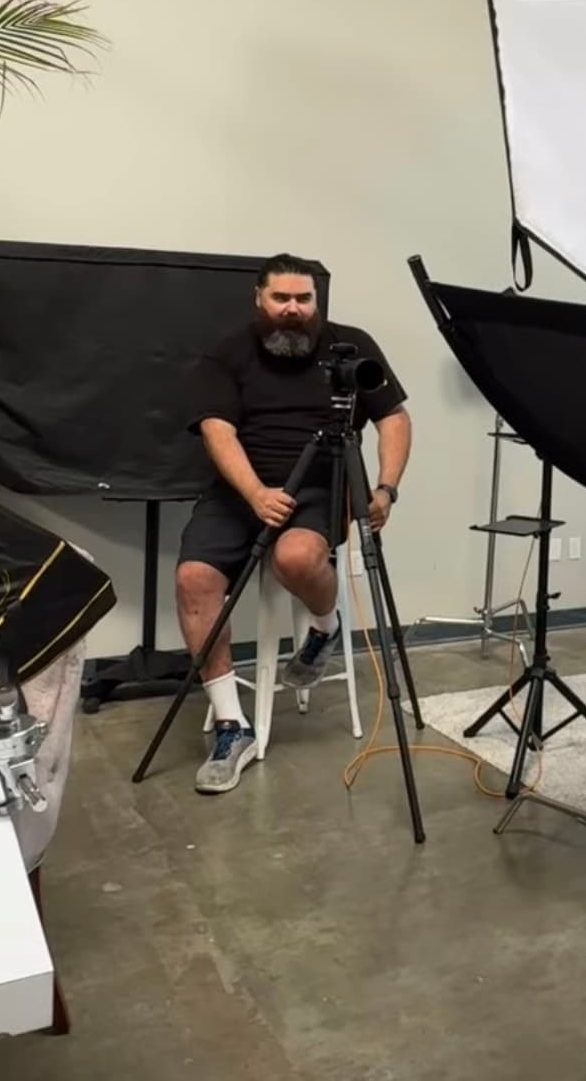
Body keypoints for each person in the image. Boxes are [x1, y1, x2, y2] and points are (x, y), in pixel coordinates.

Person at [176, 253, 412, 795]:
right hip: (242, 488)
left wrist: (385, 488)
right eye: (281, 298)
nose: (293, 309)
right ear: (259, 299)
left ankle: (324, 628)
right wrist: (256, 494)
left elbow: (394, 417)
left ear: (316, 302)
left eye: (303, 299)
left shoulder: (351, 345)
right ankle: (232, 726)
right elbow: (217, 429)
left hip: (320, 485)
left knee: (297, 558)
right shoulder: (228, 351)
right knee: (194, 580)